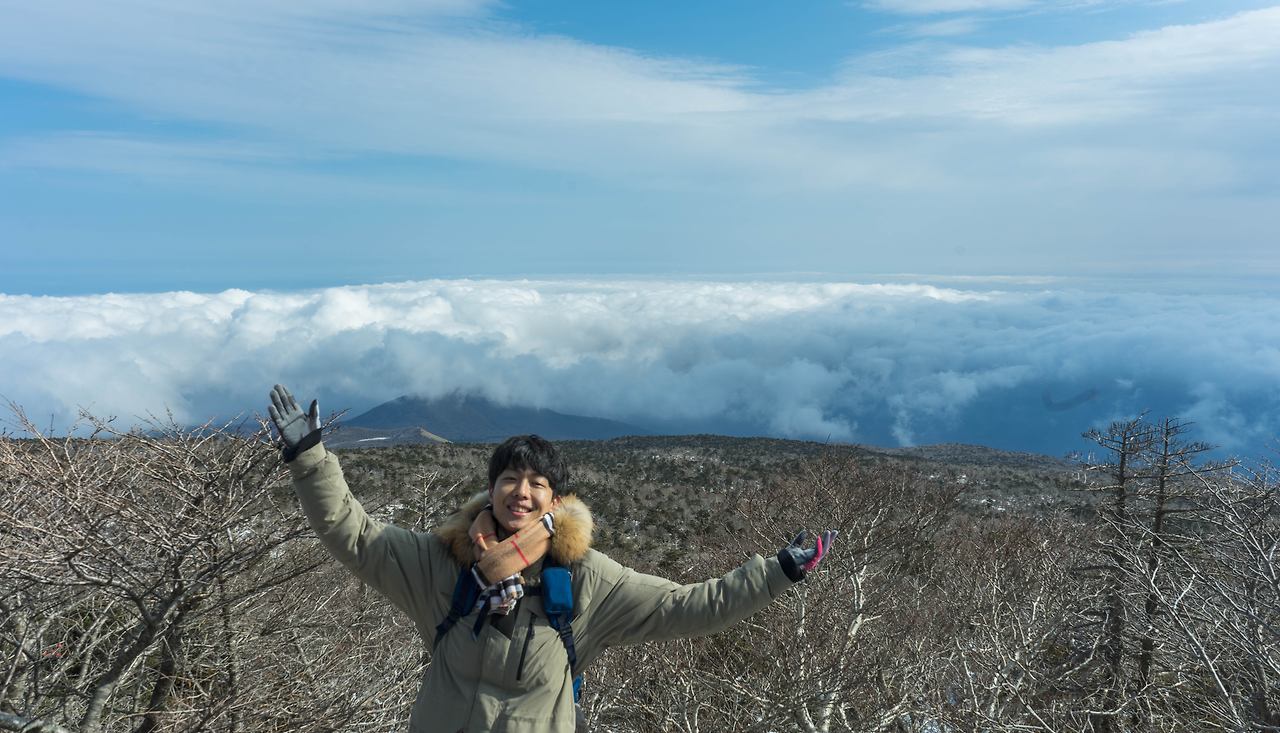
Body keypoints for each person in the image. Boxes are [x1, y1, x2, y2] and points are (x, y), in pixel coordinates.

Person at [268, 385, 835, 733]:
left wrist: (776, 573)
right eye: (509, 479)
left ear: (555, 500)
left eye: (537, 483)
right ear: (491, 490)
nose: (521, 492)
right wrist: (310, 459)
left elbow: (687, 607)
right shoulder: (441, 563)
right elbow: (354, 534)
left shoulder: (585, 580)